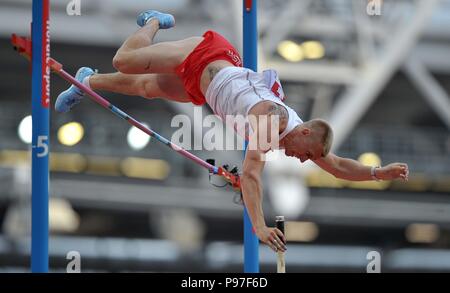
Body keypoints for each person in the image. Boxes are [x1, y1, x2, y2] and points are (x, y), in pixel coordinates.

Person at [55, 10, 409, 253]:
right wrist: (259, 226)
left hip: (208, 88)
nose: (303, 161)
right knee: (125, 62)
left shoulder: (302, 135)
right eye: (307, 155)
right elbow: (251, 175)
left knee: (147, 87)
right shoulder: (272, 121)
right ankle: (151, 22)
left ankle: (88, 81)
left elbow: (337, 166)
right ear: (305, 136)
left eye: (308, 160)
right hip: (207, 55)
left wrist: (377, 173)